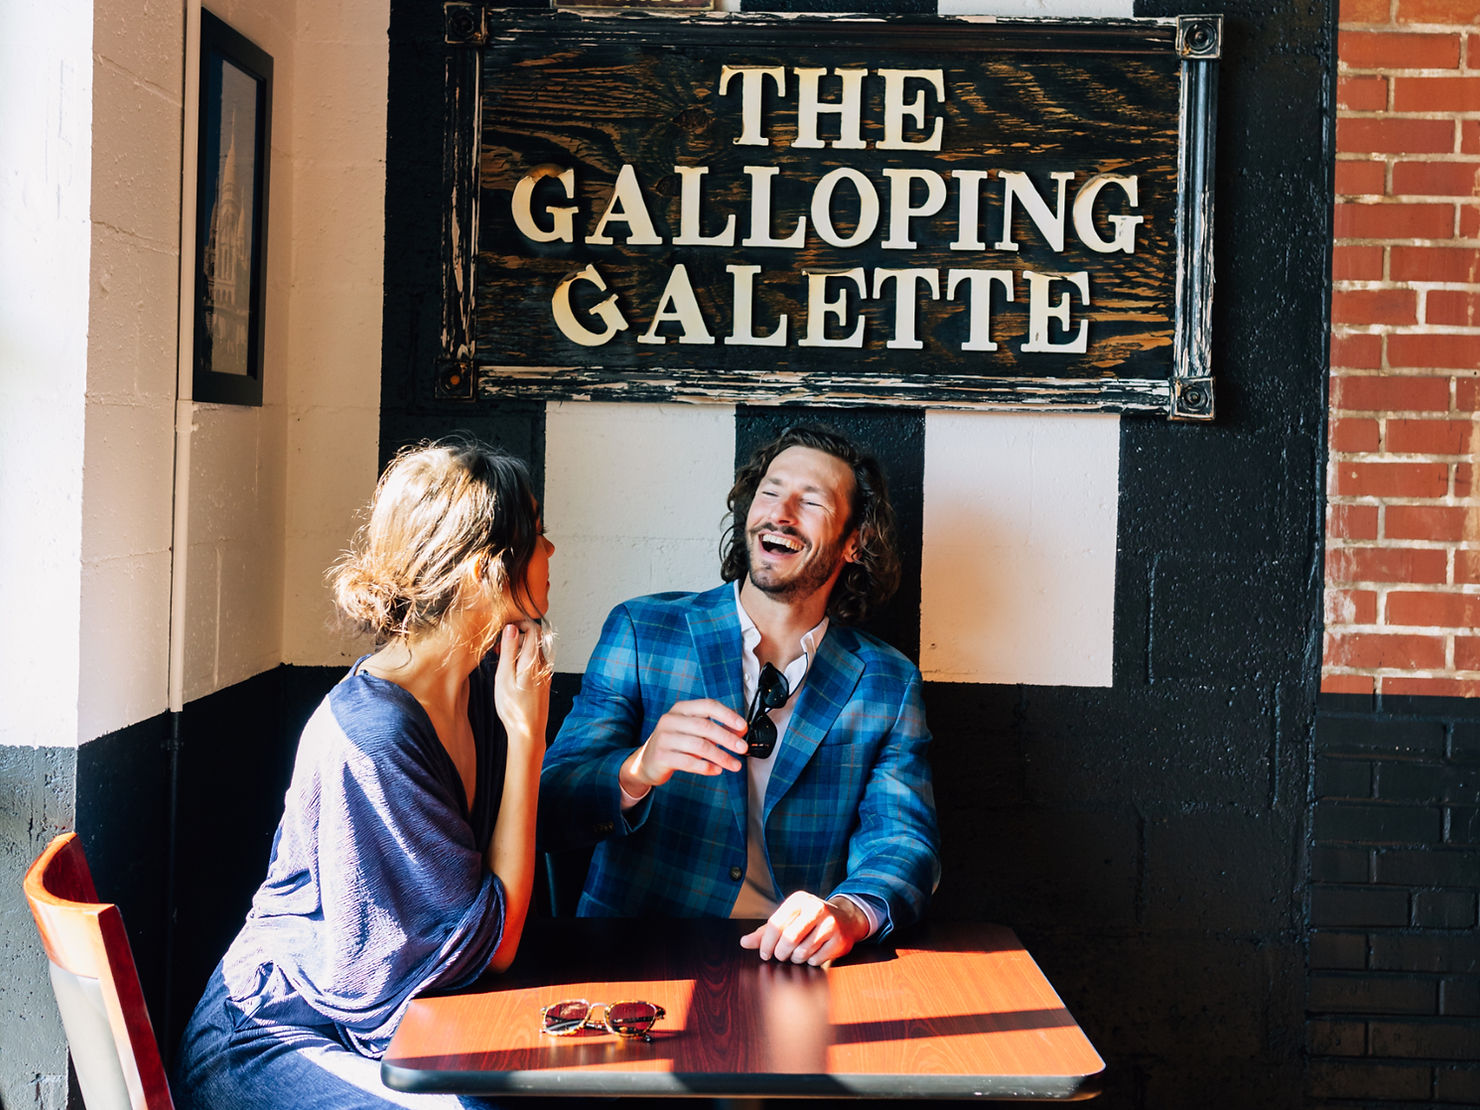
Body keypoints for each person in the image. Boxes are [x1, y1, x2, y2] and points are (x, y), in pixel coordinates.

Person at [174, 438, 554, 1110]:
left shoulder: (483, 687)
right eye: (538, 536)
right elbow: (489, 947)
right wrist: (527, 737)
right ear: (483, 576)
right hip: (271, 1041)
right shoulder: (374, 735)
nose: (551, 552)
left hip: (367, 1034)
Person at [541, 424, 940, 968]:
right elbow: (551, 805)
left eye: (811, 501)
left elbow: (905, 844)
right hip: (636, 955)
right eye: (770, 492)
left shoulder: (887, 682)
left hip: (787, 962)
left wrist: (846, 913)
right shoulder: (642, 630)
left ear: (854, 543)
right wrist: (638, 768)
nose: (781, 512)